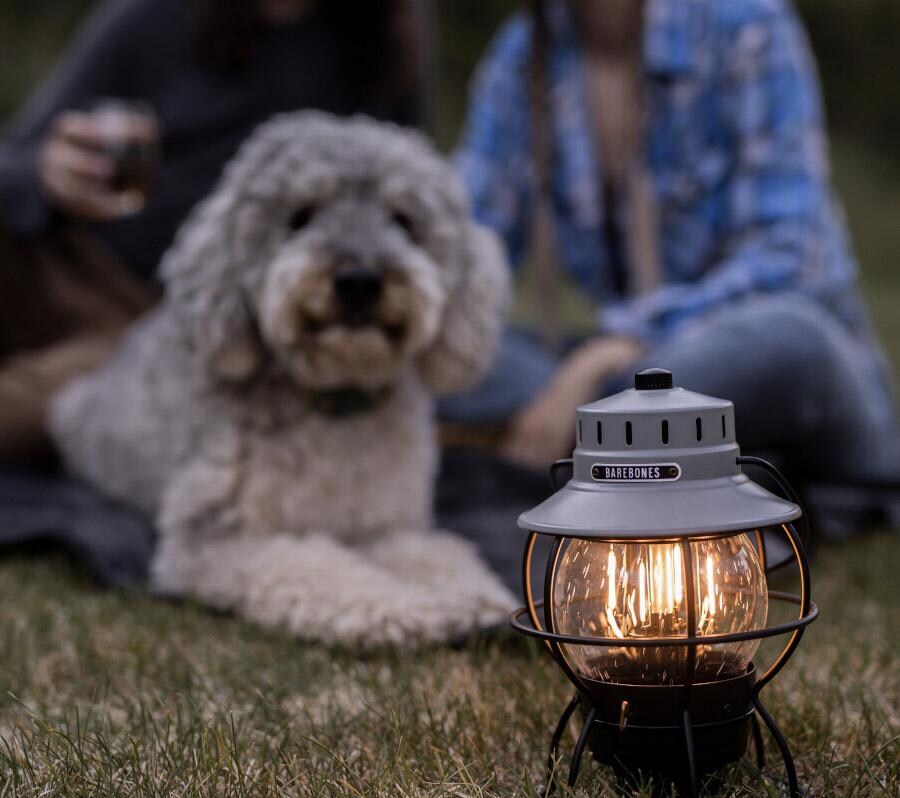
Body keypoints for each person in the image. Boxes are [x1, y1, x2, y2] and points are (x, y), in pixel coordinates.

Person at [448, 0, 899, 488]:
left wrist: (608, 351)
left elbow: (790, 258)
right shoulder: (525, 54)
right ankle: (620, 436)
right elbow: (468, 247)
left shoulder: (745, 23)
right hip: (625, 374)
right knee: (439, 352)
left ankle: (598, 436)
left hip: (756, 355)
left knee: (786, 339)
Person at [0, 0, 421, 461]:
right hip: (57, 254)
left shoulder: (382, 47)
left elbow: (408, 200)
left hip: (153, 321)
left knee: (34, 415)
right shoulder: (149, 18)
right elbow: (17, 157)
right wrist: (43, 171)